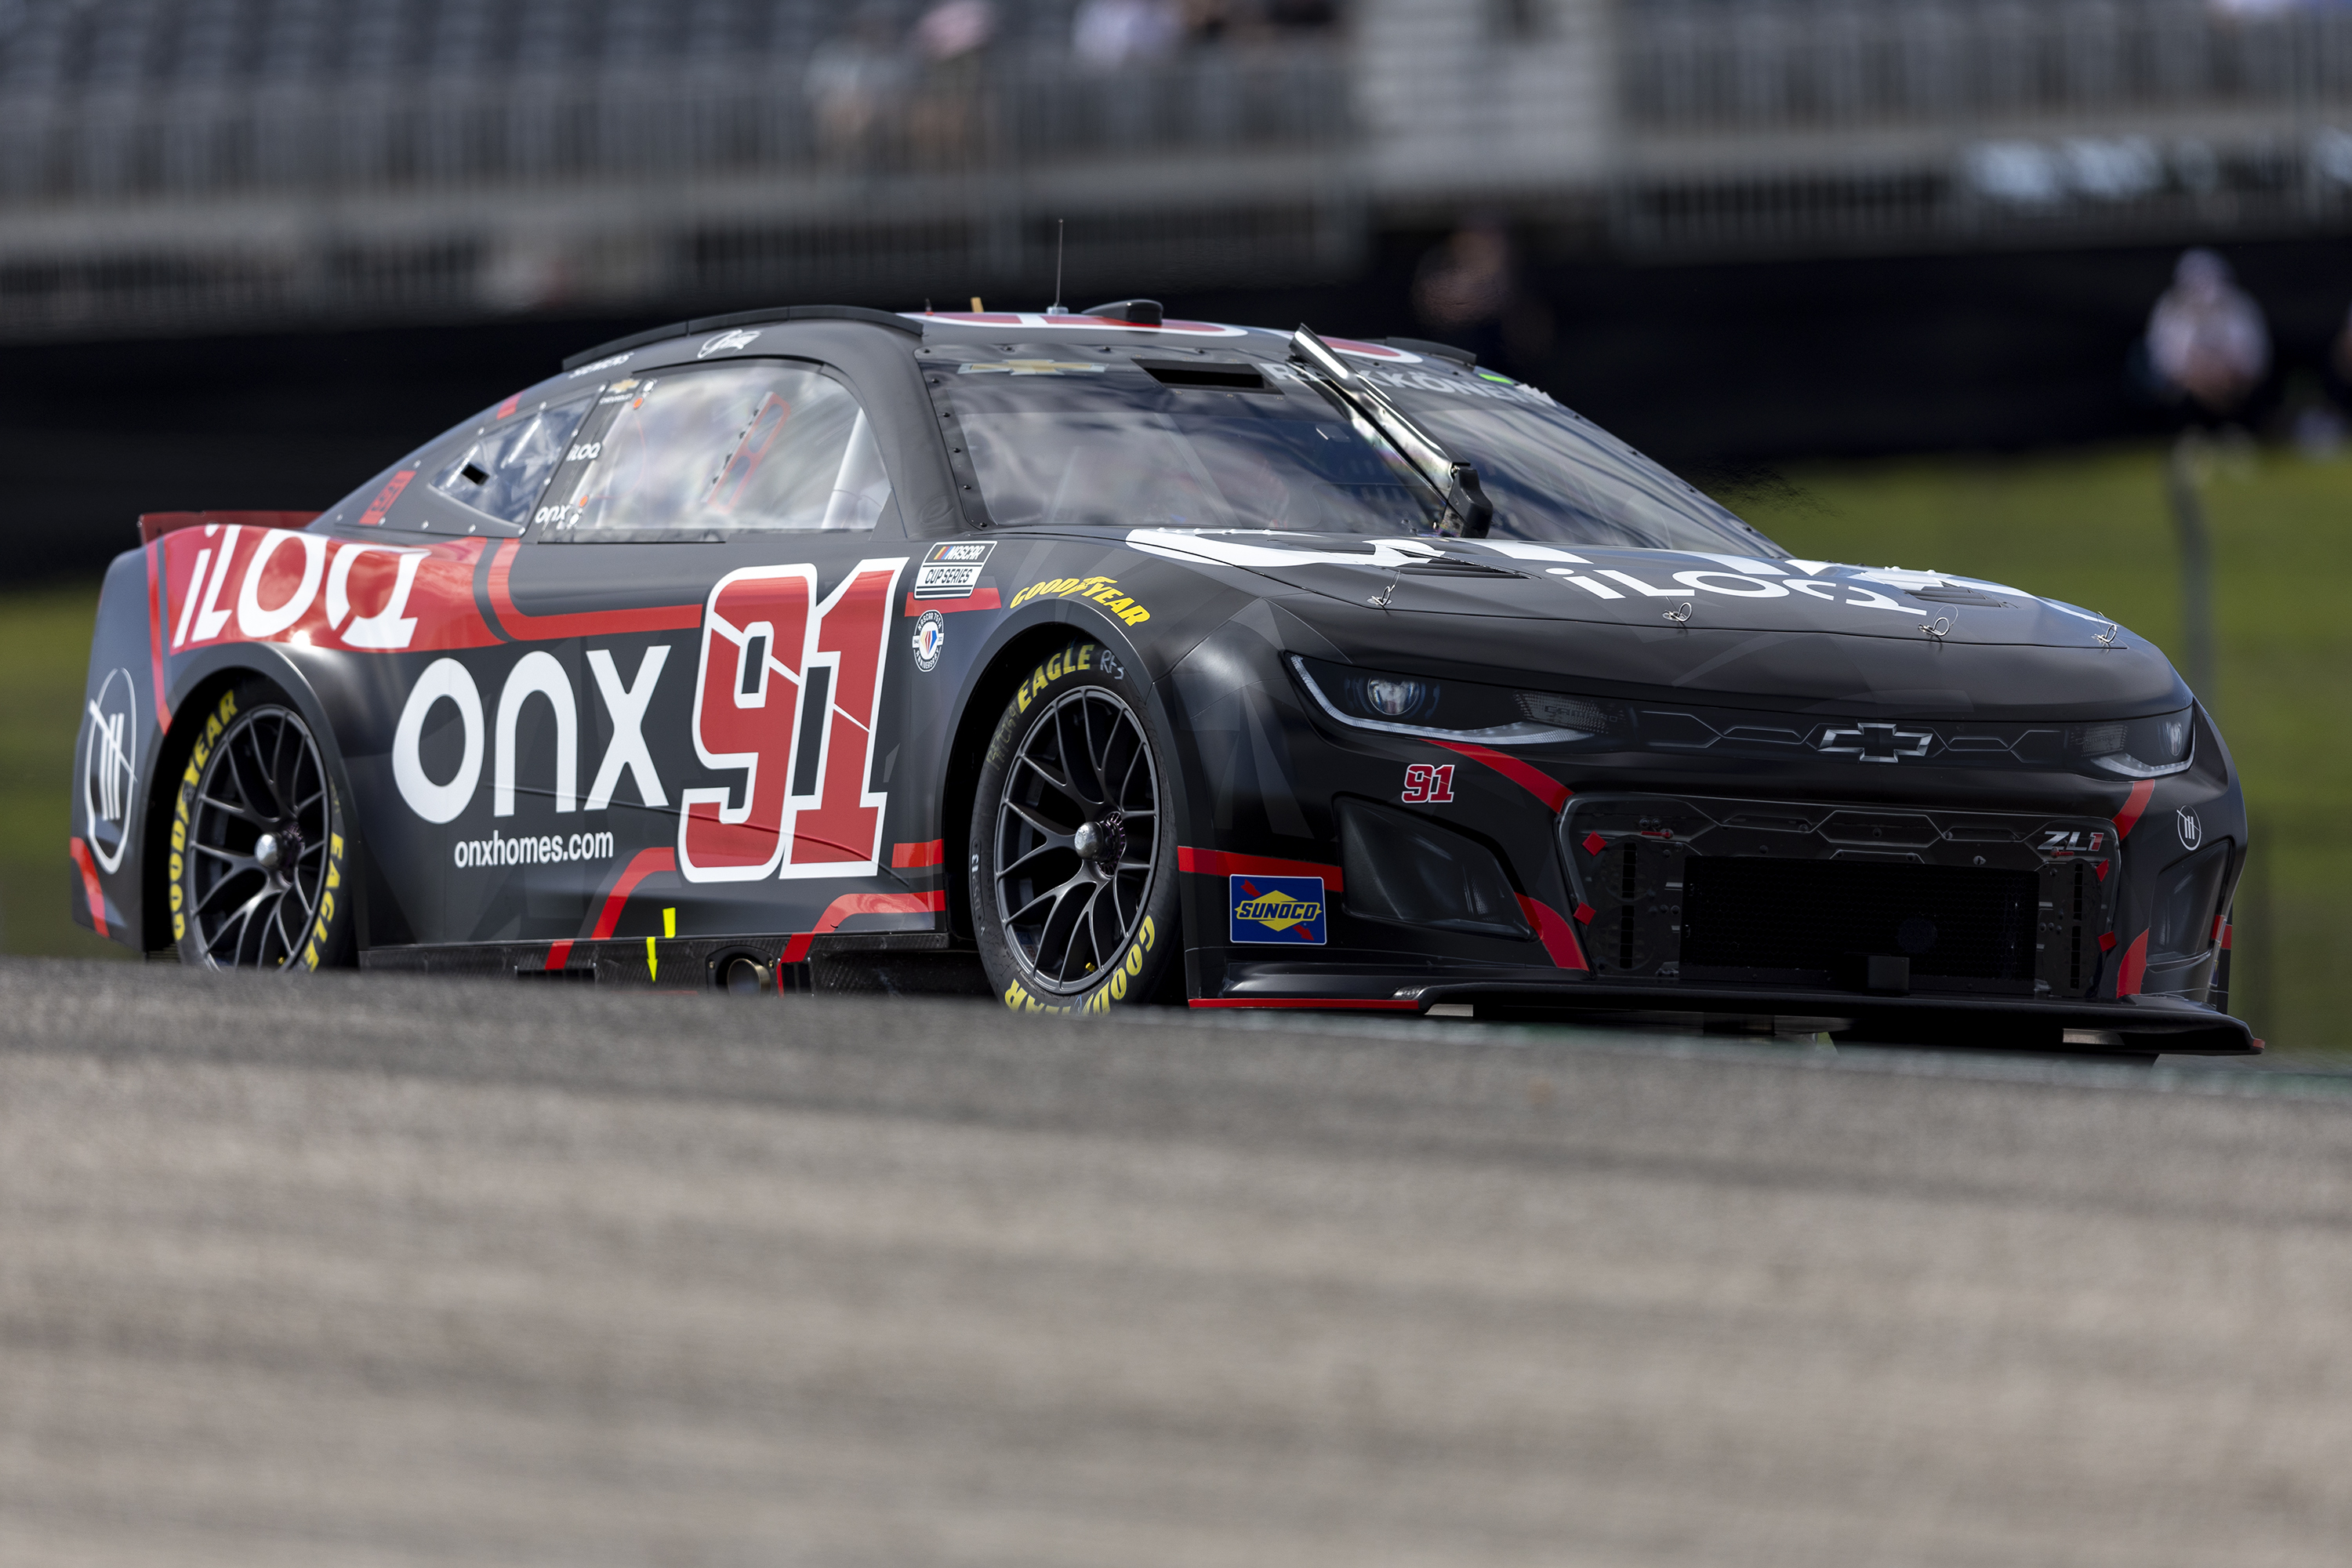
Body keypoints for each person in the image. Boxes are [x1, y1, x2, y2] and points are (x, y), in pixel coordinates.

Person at [2143, 249, 2270, 419]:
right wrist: (2198, 375)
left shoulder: (2241, 307)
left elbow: (2255, 363)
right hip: (2189, 397)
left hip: (2233, 394)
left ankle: (2238, 428)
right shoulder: (2168, 310)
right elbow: (2164, 366)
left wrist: (2224, 375)